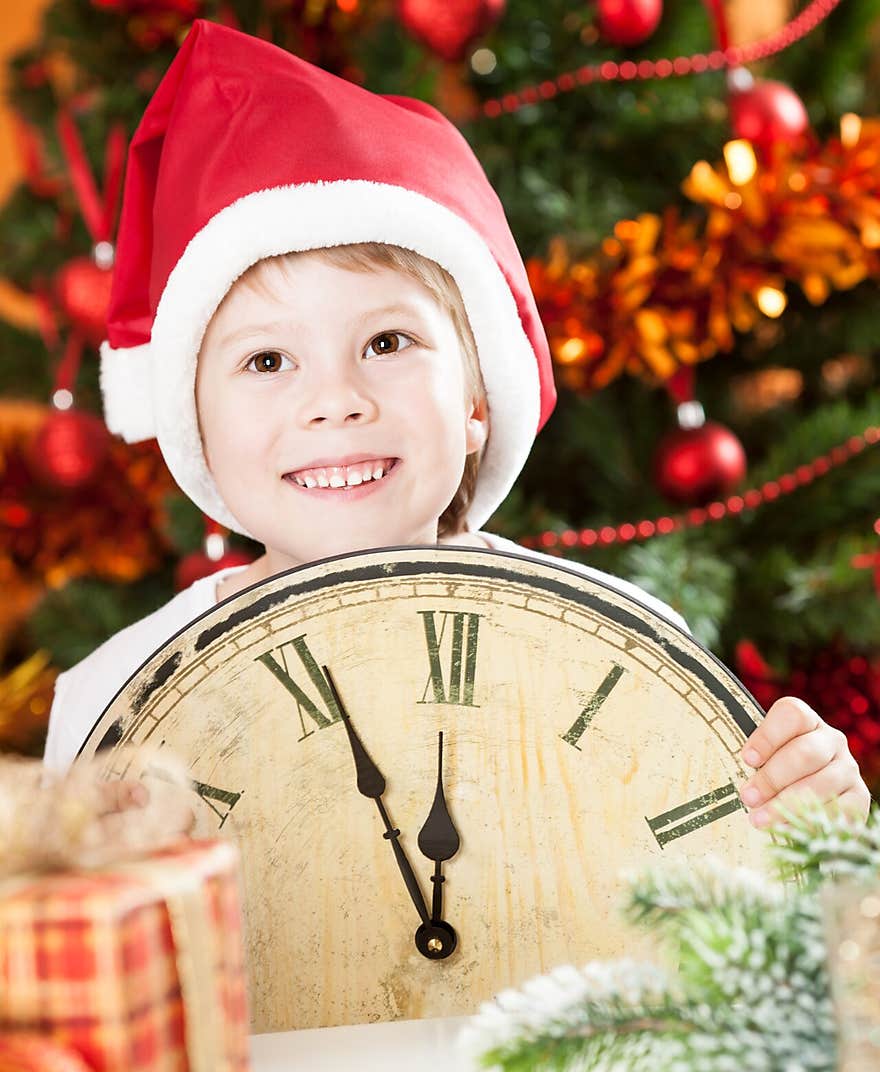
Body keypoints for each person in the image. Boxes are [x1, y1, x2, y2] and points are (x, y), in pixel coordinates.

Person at [43, 19, 869, 834]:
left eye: (387, 342)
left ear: (477, 404)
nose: (335, 400)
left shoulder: (620, 648)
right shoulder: (119, 700)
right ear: (196, 426)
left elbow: (737, 908)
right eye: (267, 362)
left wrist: (812, 828)